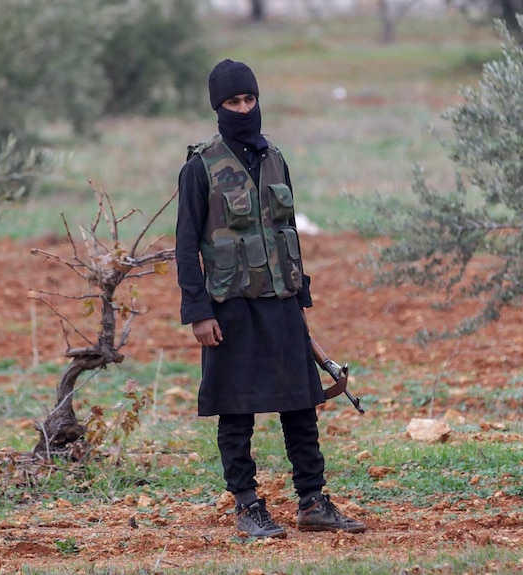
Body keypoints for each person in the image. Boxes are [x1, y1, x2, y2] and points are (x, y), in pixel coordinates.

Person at [175, 59, 367, 539]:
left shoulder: (276, 159)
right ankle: (247, 506)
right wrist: (197, 312)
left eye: (249, 99)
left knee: (300, 406)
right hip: (230, 307)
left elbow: (288, 235)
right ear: (217, 107)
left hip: (282, 302)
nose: (243, 109)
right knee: (236, 412)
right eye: (233, 102)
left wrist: (301, 300)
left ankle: (313, 502)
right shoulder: (199, 168)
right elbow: (184, 245)